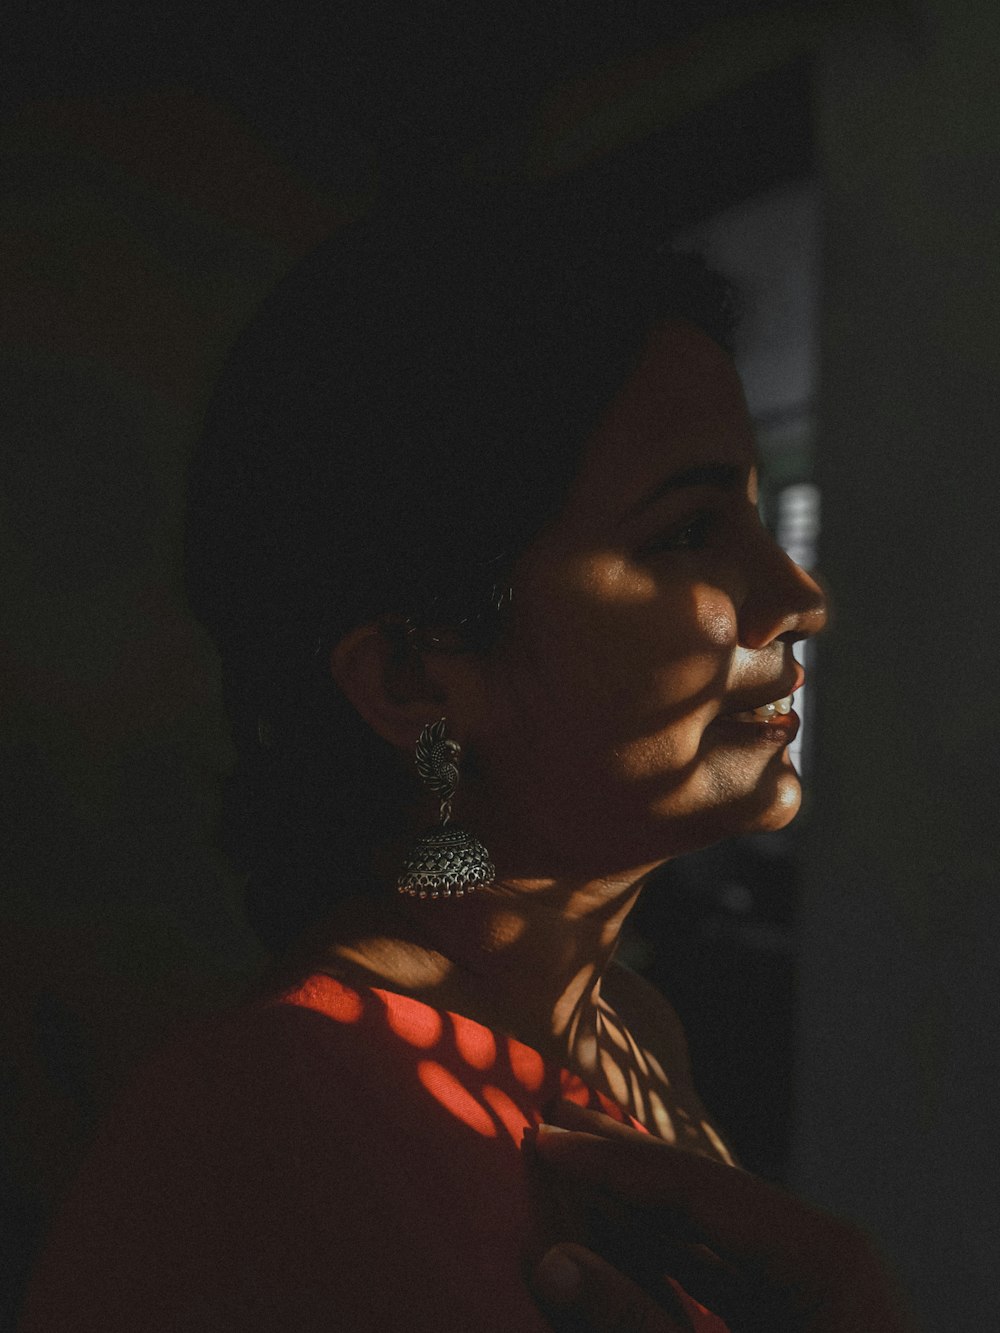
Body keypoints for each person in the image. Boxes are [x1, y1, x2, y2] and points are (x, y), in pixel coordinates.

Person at [19, 183, 915, 1331]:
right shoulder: (270, 1116)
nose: (797, 597)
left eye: (750, 514)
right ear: (414, 679)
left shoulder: (631, 1027)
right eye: (687, 532)